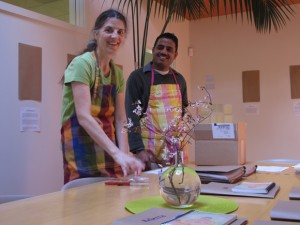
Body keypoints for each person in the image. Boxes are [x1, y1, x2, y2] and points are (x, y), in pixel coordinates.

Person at [61, 9, 144, 184]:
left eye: (120, 32)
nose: (115, 36)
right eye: (109, 30)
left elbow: (121, 119)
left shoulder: (117, 73)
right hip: (80, 143)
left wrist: (125, 154)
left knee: (112, 198)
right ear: (96, 33)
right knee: (83, 198)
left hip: (108, 145)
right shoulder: (83, 64)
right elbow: (83, 116)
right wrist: (117, 153)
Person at [125, 32, 189, 170]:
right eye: (160, 47)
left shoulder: (180, 80)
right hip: (147, 155)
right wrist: (138, 149)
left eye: (169, 49)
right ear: (153, 50)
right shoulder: (138, 77)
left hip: (175, 153)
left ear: (175, 55)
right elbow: (132, 117)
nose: (164, 52)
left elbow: (182, 113)